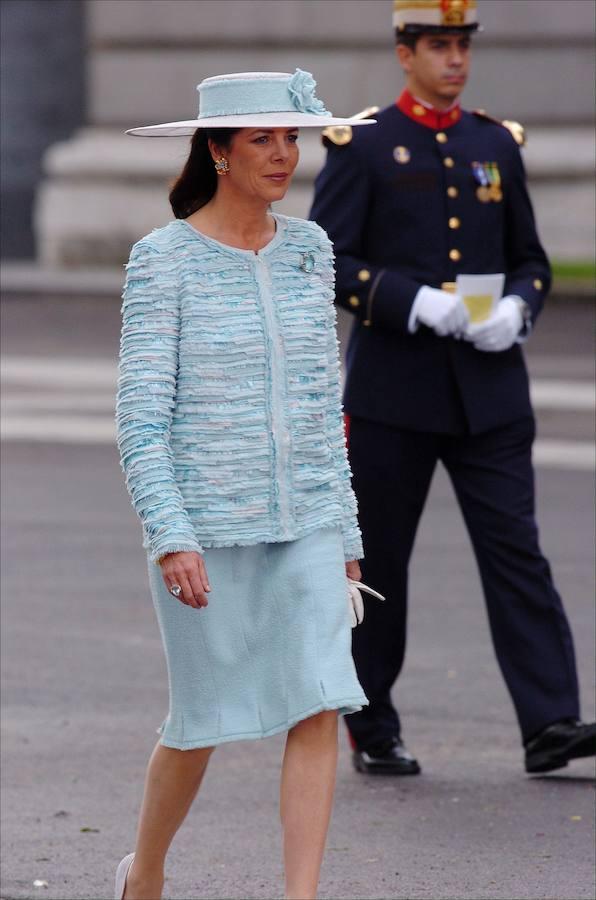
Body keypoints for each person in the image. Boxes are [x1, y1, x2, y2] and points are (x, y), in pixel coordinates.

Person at [310, 0, 596, 777]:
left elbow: (531, 259)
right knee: (383, 566)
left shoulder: (494, 144)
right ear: (405, 53)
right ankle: (372, 723)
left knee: (517, 553)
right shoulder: (365, 143)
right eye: (439, 45)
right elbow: (327, 260)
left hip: (491, 391)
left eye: (462, 45)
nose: (455, 60)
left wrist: (519, 307)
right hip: (393, 394)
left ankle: (552, 722)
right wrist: (413, 300)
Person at [114, 70, 376, 900]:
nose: (282, 154)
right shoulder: (163, 260)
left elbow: (320, 405)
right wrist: (171, 534)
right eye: (262, 138)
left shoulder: (310, 249)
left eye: (291, 137)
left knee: (321, 699)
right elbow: (141, 420)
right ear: (218, 152)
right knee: (201, 724)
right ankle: (145, 873)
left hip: (307, 520)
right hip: (206, 531)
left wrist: (346, 537)